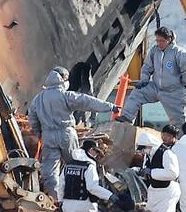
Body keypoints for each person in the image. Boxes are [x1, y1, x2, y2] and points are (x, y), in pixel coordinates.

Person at [28, 66, 119, 196]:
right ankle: (76, 194)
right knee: (75, 164)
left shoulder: (38, 98)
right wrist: (111, 107)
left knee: (50, 170)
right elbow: (87, 102)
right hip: (66, 133)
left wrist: (40, 133)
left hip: (48, 136)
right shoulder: (65, 95)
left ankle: (55, 199)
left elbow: (32, 118)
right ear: (62, 79)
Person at [119, 27, 186, 128]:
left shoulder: (179, 53)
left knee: (178, 122)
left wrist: (183, 82)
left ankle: (182, 140)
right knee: (137, 93)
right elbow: (147, 67)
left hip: (173, 92)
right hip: (155, 88)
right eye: (157, 40)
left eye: (162, 41)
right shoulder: (155, 51)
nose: (159, 43)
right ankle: (127, 118)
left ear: (169, 40)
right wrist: (144, 80)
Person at [61, 139, 114, 212]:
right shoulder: (89, 166)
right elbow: (92, 187)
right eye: (96, 152)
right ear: (90, 150)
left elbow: (60, 184)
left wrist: (60, 200)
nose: (96, 155)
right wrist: (110, 196)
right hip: (84, 206)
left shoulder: (68, 165)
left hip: (67, 204)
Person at [135, 128, 180, 212]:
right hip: (155, 190)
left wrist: (152, 172)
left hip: (168, 191)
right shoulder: (148, 155)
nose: (143, 151)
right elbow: (146, 170)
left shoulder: (166, 153)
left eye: (144, 148)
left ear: (150, 146)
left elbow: (173, 173)